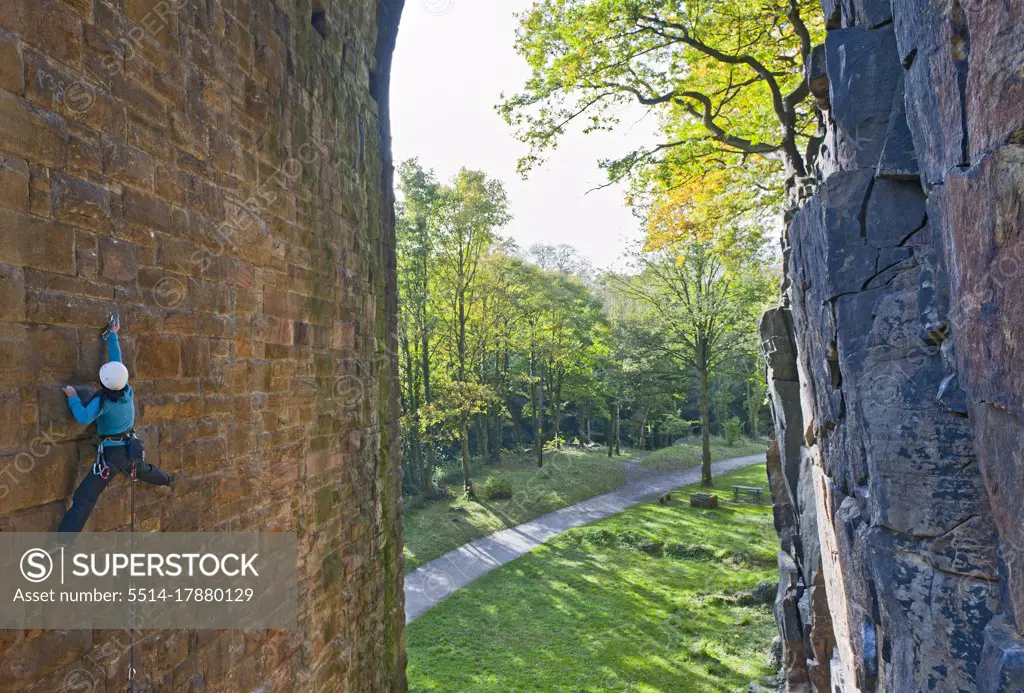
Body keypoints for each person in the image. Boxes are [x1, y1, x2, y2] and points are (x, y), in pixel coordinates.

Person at [57, 314, 173, 538]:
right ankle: (167, 479)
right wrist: (113, 334)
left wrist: (72, 396)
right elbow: (117, 362)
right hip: (130, 448)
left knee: (84, 498)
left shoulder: (102, 402)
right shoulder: (126, 390)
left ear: (103, 383)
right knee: (142, 470)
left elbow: (82, 417)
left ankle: (62, 542)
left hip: (112, 456)